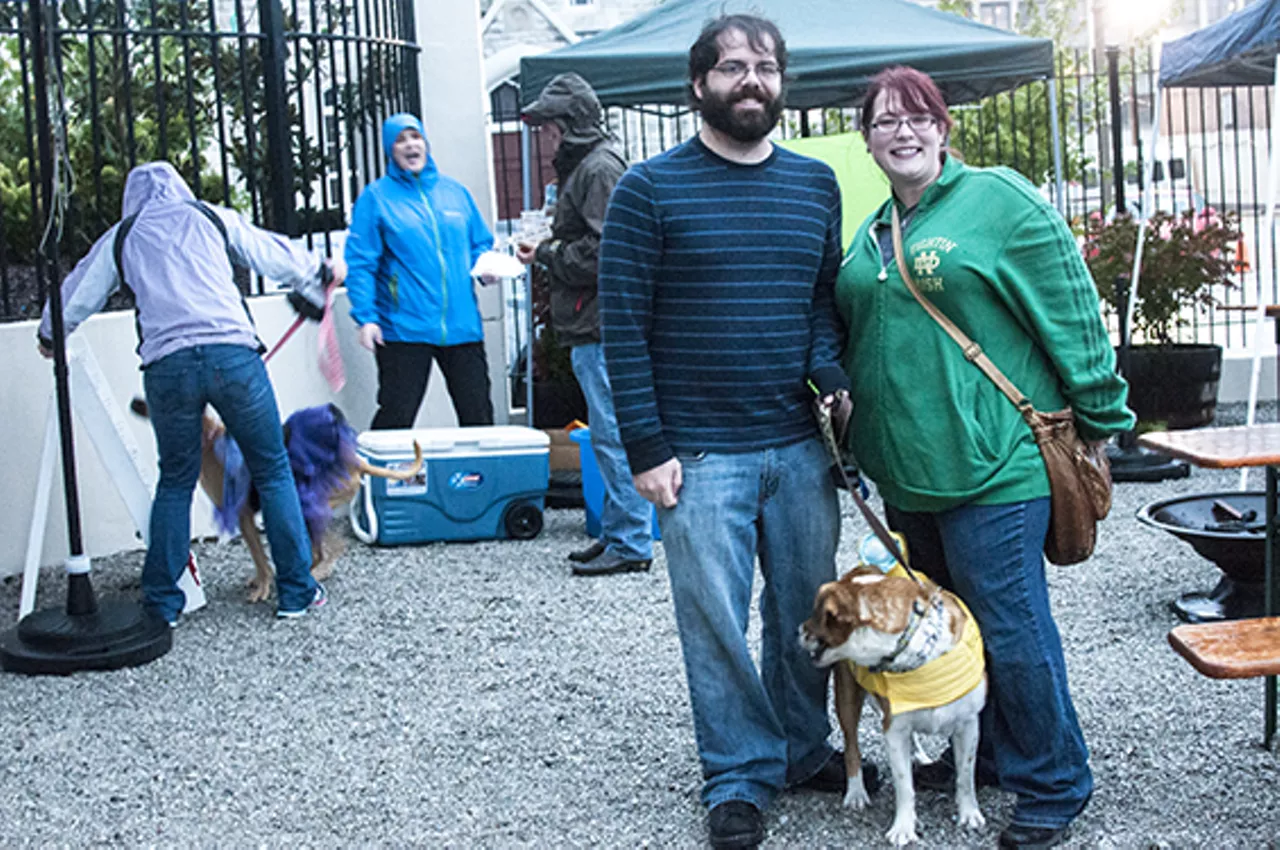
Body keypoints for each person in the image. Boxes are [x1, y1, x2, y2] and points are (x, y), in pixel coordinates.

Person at [835, 66, 1135, 849]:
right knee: (953, 626)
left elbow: (1070, 307)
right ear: (865, 139)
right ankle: (995, 753)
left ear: (944, 127)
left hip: (996, 467)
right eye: (884, 121)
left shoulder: (997, 199)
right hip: (909, 477)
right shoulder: (872, 231)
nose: (903, 132)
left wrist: (1104, 416)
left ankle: (1055, 780)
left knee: (1009, 626)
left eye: (918, 117)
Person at [598, 14, 877, 849]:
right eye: (732, 68)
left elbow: (821, 303)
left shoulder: (814, 183)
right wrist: (647, 448)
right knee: (714, 622)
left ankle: (800, 748)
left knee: (805, 610)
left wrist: (829, 371)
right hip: (698, 455)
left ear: (782, 81)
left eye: (765, 67)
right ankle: (738, 774)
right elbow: (623, 328)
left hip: (798, 447)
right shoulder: (648, 189)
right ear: (698, 84)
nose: (751, 80)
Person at [37, 161, 334, 623]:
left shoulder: (124, 235)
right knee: (272, 469)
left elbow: (78, 289)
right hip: (233, 356)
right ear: (179, 185)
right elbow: (270, 253)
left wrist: (50, 333)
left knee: (175, 480)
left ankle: (162, 604)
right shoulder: (211, 216)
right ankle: (296, 592)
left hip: (167, 367)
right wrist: (317, 268)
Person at [516, 72, 654, 577]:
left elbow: (606, 254)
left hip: (600, 325)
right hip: (590, 323)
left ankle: (633, 540)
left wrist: (547, 253)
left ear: (568, 125)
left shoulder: (597, 170)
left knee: (614, 433)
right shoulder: (591, 167)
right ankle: (619, 532)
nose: (542, 136)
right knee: (605, 432)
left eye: (546, 126)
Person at [345, 113, 497, 429]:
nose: (410, 145)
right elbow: (361, 263)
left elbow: (479, 244)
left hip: (462, 325)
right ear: (390, 149)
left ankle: (480, 478)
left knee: (479, 416)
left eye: (415, 137)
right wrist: (366, 317)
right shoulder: (376, 198)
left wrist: (485, 267)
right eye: (400, 139)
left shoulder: (455, 193)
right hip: (404, 328)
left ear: (425, 142)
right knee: (396, 418)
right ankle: (381, 478)